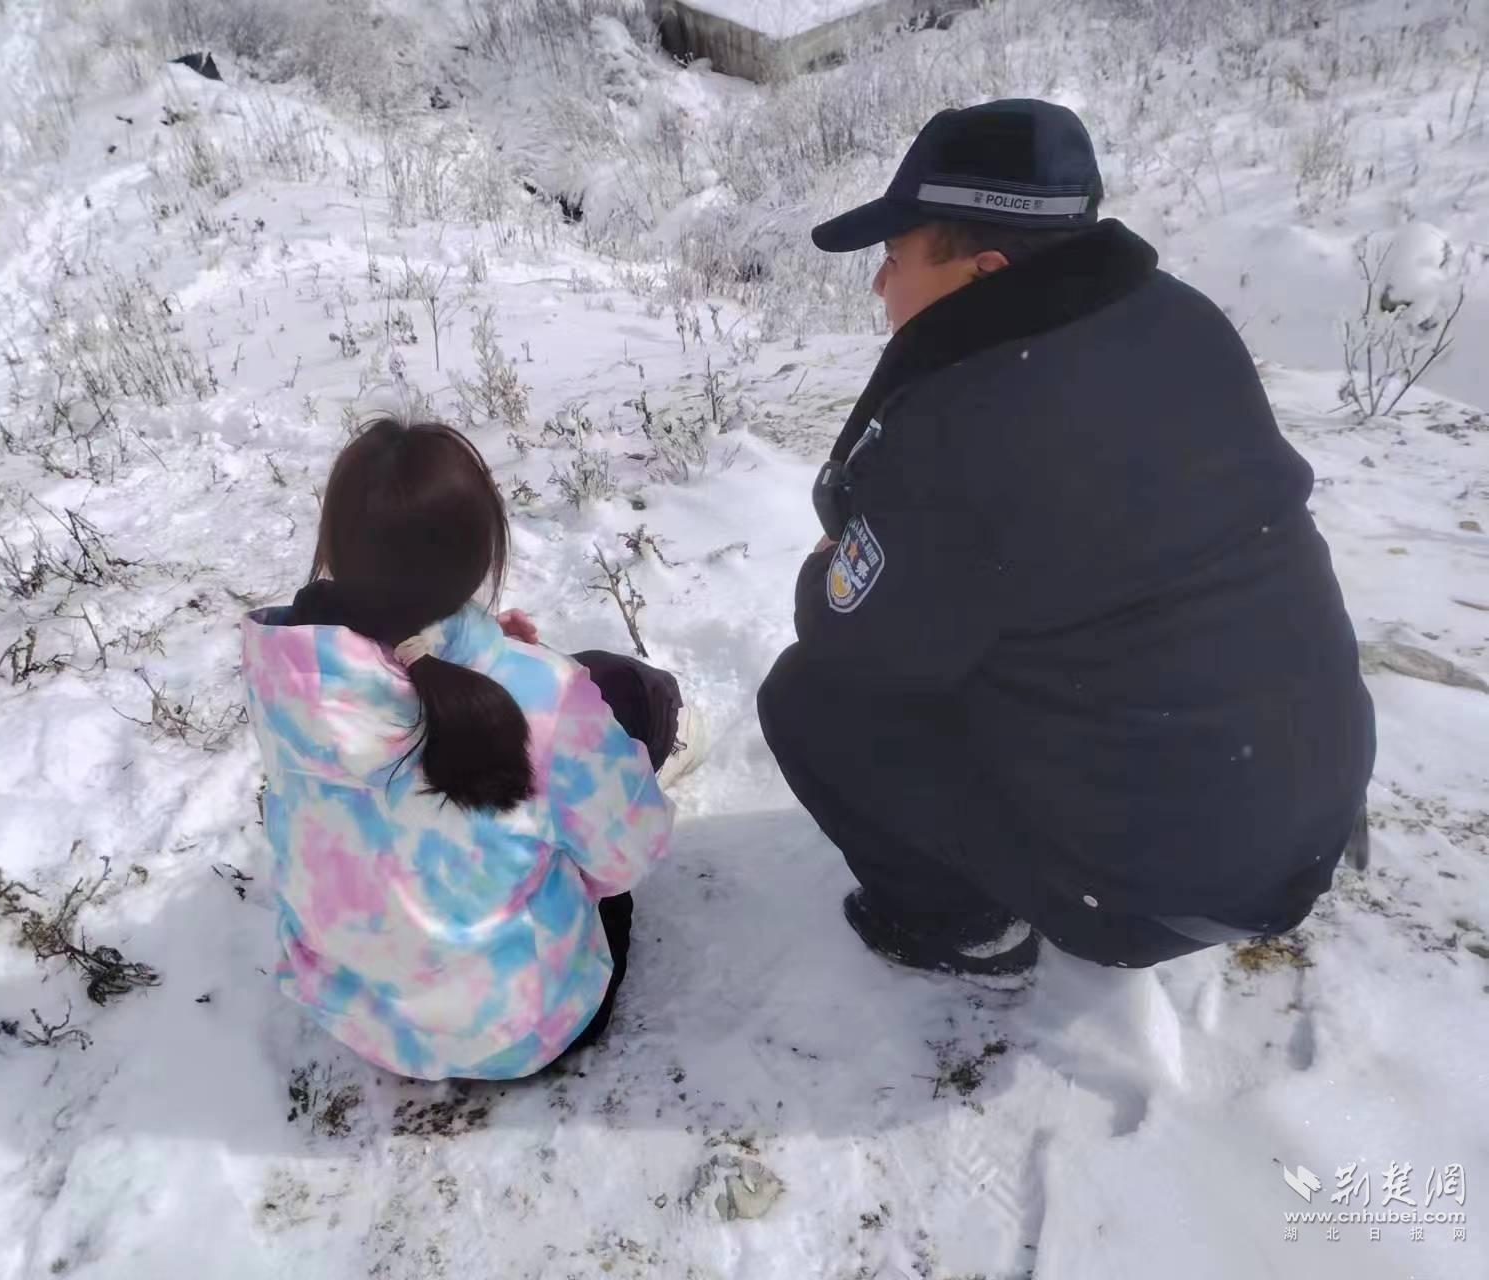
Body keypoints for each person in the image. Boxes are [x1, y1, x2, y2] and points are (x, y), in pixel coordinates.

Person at [757, 100, 1375, 975]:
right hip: (1308, 809)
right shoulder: (1180, 319)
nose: (877, 285)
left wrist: (829, 574)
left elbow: (857, 646)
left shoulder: (960, 426)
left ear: (986, 270)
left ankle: (960, 926)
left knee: (807, 701)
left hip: (1160, 896)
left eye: (893, 260)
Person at [241, 419, 683, 1081]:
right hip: (528, 1029)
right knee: (633, 694)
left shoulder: (283, 676)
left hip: (355, 1011)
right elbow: (628, 855)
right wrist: (516, 662)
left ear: (337, 546)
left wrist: (479, 649)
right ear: (479, 555)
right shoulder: (546, 697)